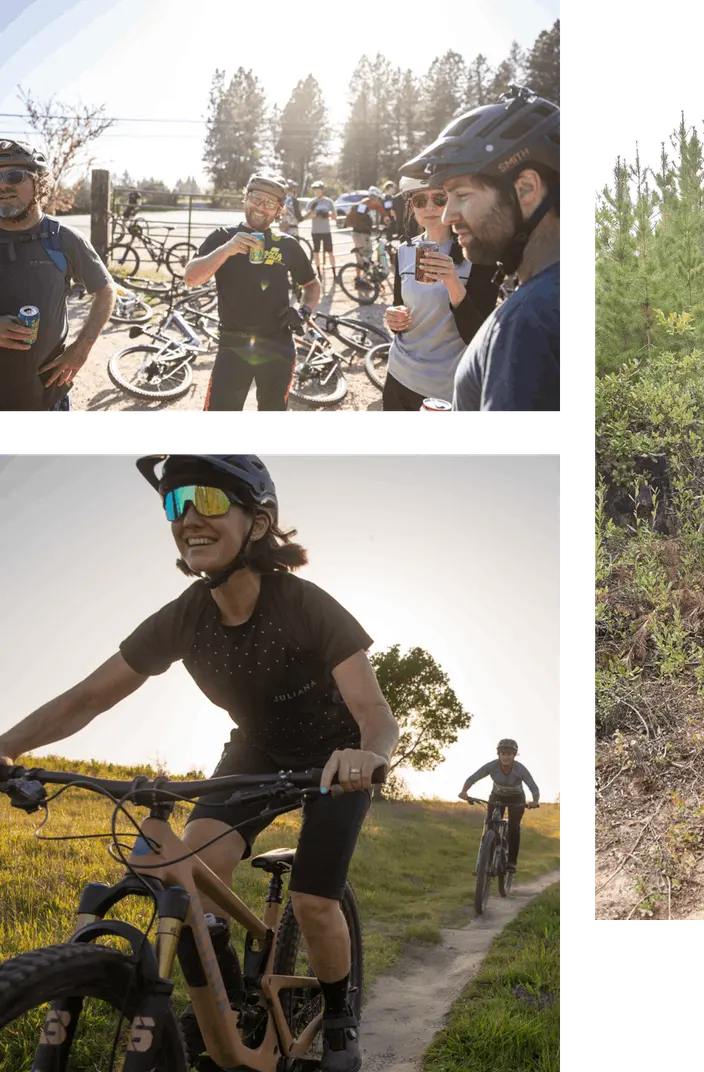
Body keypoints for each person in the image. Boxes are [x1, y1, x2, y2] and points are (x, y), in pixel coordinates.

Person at [0, 449, 398, 1072]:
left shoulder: (305, 604)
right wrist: (5, 747)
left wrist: (365, 756)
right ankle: (230, 994)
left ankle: (340, 1019)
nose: (188, 517)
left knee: (313, 901)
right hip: (256, 748)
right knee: (192, 871)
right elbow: (88, 697)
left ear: (258, 523)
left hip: (334, 757)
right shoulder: (185, 616)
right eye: (174, 504)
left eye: (209, 500)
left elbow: (376, 713)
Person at [400, 84, 566, 415]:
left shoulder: (526, 322)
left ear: (526, 188)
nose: (447, 215)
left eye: (461, 194)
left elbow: (508, 466)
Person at [182, 174, 320, 414]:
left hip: (278, 345)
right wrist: (228, 249)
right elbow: (191, 278)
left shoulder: (288, 244)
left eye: (270, 203)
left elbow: (311, 285)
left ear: (279, 211)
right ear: (244, 199)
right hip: (233, 344)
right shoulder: (222, 237)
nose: (261, 208)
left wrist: (304, 311)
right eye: (256, 199)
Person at [0, 138, 117, 414]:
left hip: (45, 398)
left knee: (46, 459)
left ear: (39, 183)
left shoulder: (63, 239)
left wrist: (81, 348)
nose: (3, 185)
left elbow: (106, 290)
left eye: (14, 176)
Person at [380, 174, 499, 414]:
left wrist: (453, 284)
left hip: (445, 388)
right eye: (421, 200)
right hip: (398, 374)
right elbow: (399, 307)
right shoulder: (404, 251)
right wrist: (394, 318)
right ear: (412, 207)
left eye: (440, 198)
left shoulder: (480, 257)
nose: (430, 207)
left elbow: (478, 338)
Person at [458, 739, 541, 874]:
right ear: (499, 754)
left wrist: (535, 800)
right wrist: (464, 791)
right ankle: (484, 862)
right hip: (497, 797)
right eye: (503, 753)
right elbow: (473, 778)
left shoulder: (520, 768)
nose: (506, 757)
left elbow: (533, 786)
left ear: (514, 755)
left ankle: (512, 862)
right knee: (490, 824)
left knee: (514, 827)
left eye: (509, 754)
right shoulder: (492, 766)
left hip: (517, 799)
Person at [342, 187, 387, 289]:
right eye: (378, 199)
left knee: (365, 257)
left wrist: (385, 216)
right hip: (360, 233)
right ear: (374, 198)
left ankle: (362, 278)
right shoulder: (363, 205)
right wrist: (371, 225)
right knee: (364, 257)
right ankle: (360, 280)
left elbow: (380, 209)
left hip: (362, 233)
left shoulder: (368, 204)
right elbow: (360, 221)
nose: (379, 202)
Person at [305, 180, 337, 281]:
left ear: (322, 191)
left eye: (318, 190)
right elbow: (306, 217)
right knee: (316, 253)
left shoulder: (329, 202)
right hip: (316, 231)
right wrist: (315, 215)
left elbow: (335, 216)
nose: (316, 192)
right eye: (315, 191)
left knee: (330, 252)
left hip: (326, 231)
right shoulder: (311, 202)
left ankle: (334, 273)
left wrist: (327, 214)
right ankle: (319, 273)